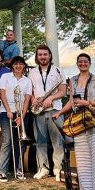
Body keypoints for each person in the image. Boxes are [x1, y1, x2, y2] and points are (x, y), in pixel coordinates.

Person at [53, 53, 95, 190]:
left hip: (94, 119)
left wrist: (87, 103)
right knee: (82, 156)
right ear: (77, 63)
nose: (83, 63)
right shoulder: (72, 80)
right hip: (79, 120)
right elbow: (71, 101)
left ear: (89, 63)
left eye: (85, 61)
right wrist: (60, 112)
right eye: (80, 61)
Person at [29, 45, 66, 181]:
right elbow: (30, 91)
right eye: (40, 55)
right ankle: (43, 168)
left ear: (50, 55)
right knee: (40, 141)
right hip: (38, 111)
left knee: (57, 141)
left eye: (45, 54)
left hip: (55, 110)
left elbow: (63, 91)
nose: (43, 57)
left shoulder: (58, 71)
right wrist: (34, 100)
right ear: (37, 57)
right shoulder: (32, 72)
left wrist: (51, 98)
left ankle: (58, 169)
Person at [0, 56, 32, 182]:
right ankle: (2, 171)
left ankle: (19, 170)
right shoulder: (5, 77)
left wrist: (21, 117)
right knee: (7, 141)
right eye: (16, 64)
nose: (18, 66)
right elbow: (2, 94)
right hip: (7, 112)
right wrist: (8, 111)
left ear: (24, 66)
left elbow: (27, 99)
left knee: (20, 142)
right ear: (12, 66)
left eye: (21, 64)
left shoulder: (27, 81)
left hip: (21, 113)